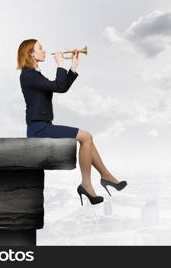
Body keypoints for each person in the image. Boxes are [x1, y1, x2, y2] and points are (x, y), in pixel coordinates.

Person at [17, 39, 127, 206]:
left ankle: (106, 176)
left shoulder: (34, 74)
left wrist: (73, 66)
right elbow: (59, 87)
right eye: (40, 48)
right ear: (31, 53)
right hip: (38, 129)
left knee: (88, 140)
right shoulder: (28, 75)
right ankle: (87, 184)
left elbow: (61, 87)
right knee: (86, 137)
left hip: (44, 125)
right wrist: (60, 64)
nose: (45, 51)